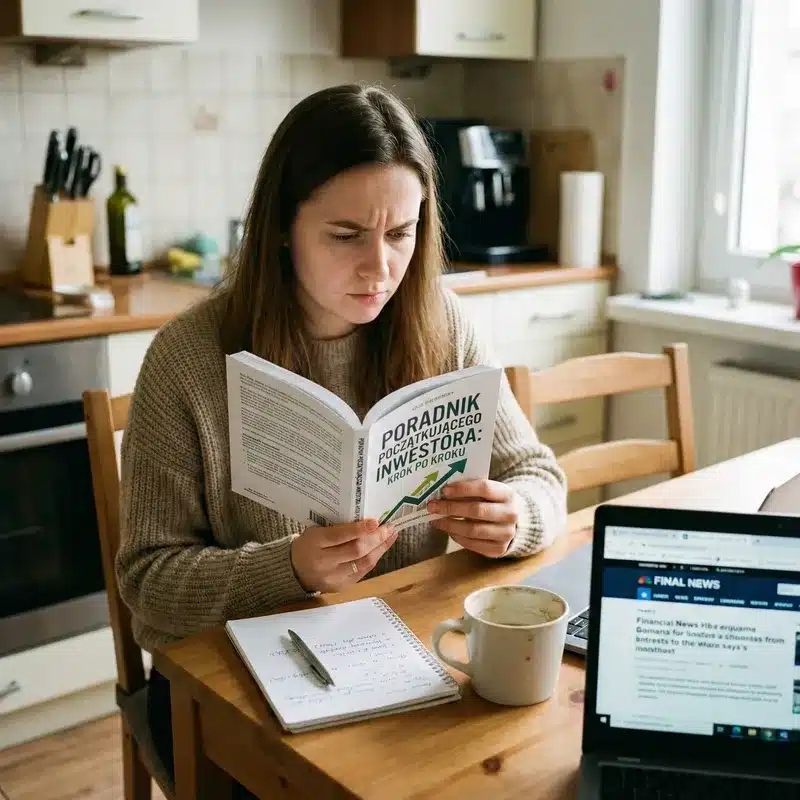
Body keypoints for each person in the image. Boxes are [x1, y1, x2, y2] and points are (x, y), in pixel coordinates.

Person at [116, 83, 567, 788]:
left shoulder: (441, 323)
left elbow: (539, 475)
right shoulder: (188, 360)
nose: (380, 268)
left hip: (407, 657)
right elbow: (148, 583)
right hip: (235, 691)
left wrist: (518, 517)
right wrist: (287, 569)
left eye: (401, 233)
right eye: (346, 235)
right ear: (281, 227)